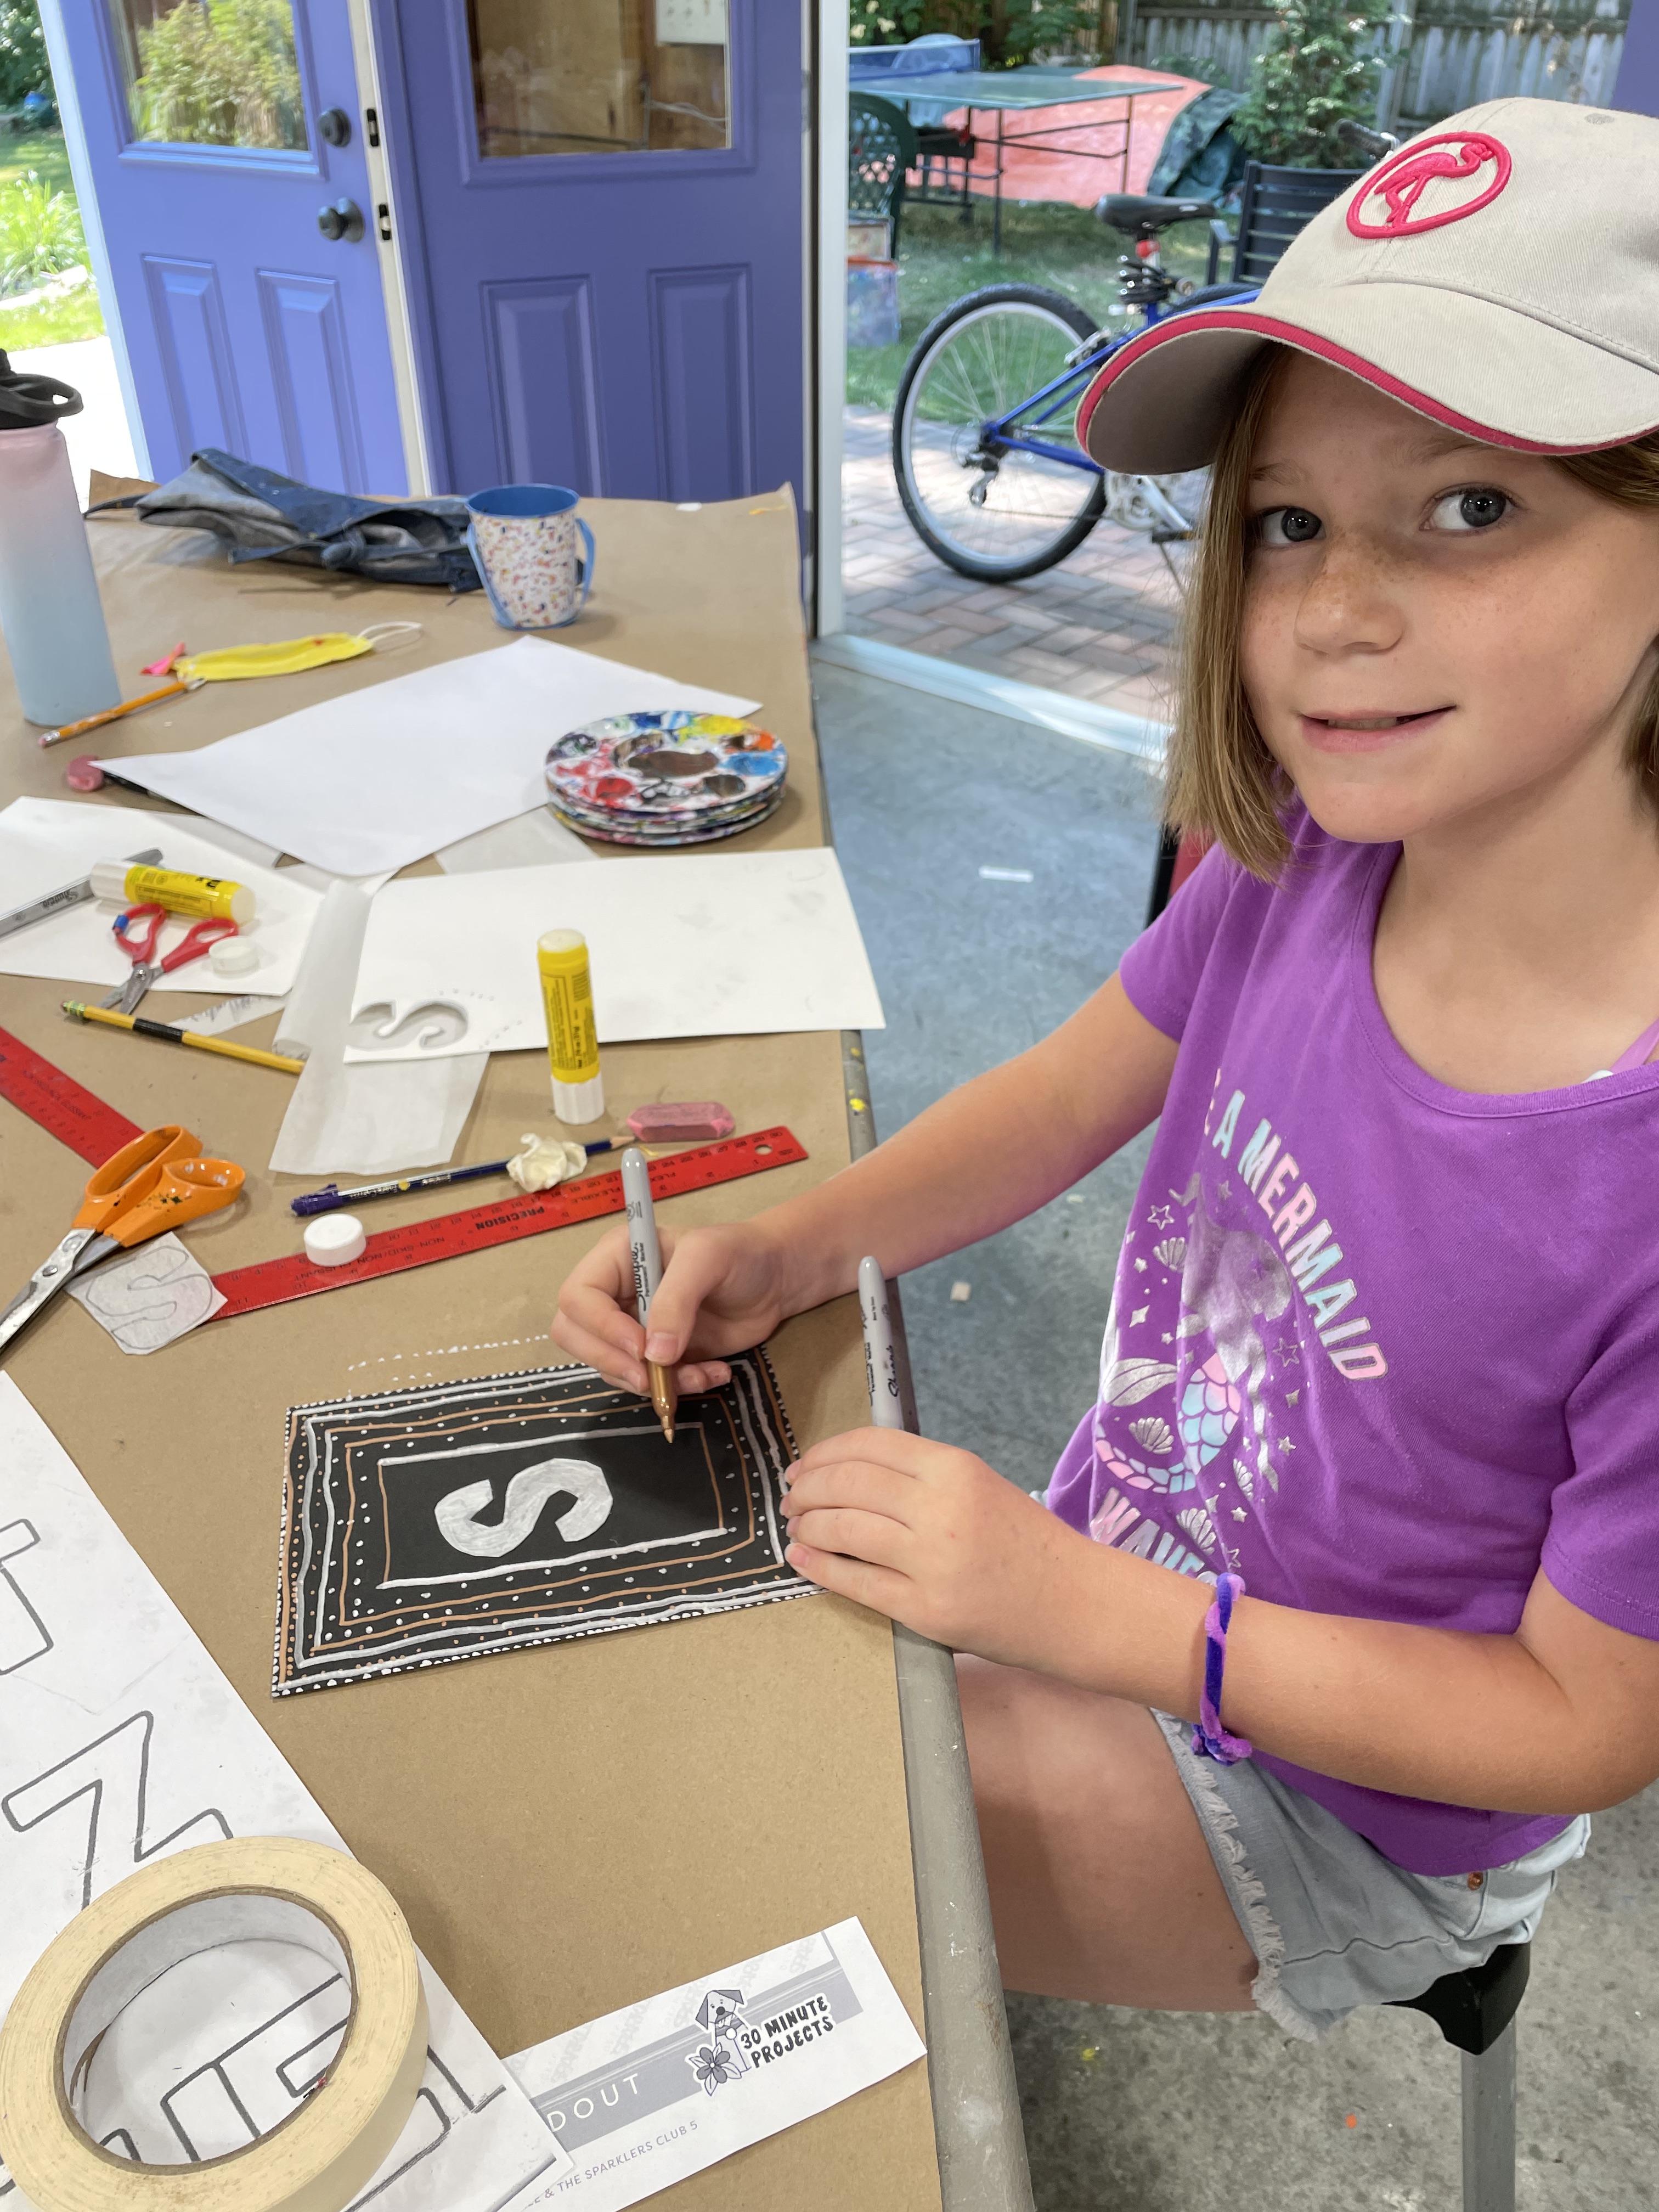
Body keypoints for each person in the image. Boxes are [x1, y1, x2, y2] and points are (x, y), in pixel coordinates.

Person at [552, 97, 1659, 2040]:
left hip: (1354, 1807)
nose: (1333, 613)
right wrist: (795, 1248)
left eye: (1474, 505)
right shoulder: (1306, 859)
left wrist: (1092, 1617)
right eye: (1288, 522)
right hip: (1127, 1562)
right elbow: (1070, 1093)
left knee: (742, 1806)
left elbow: (1580, 1724)